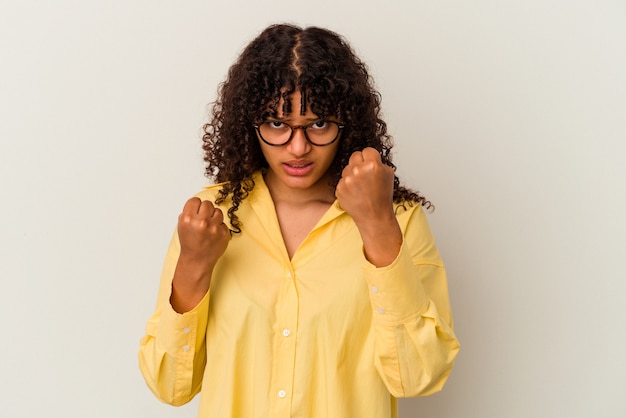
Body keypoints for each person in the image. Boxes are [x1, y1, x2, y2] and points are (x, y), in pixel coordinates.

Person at [138, 23, 460, 418]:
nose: (298, 147)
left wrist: (376, 224)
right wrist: (192, 267)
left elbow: (419, 378)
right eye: (277, 124)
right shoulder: (211, 218)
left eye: (319, 124)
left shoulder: (398, 220)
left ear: (348, 123)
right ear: (249, 124)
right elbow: (170, 386)